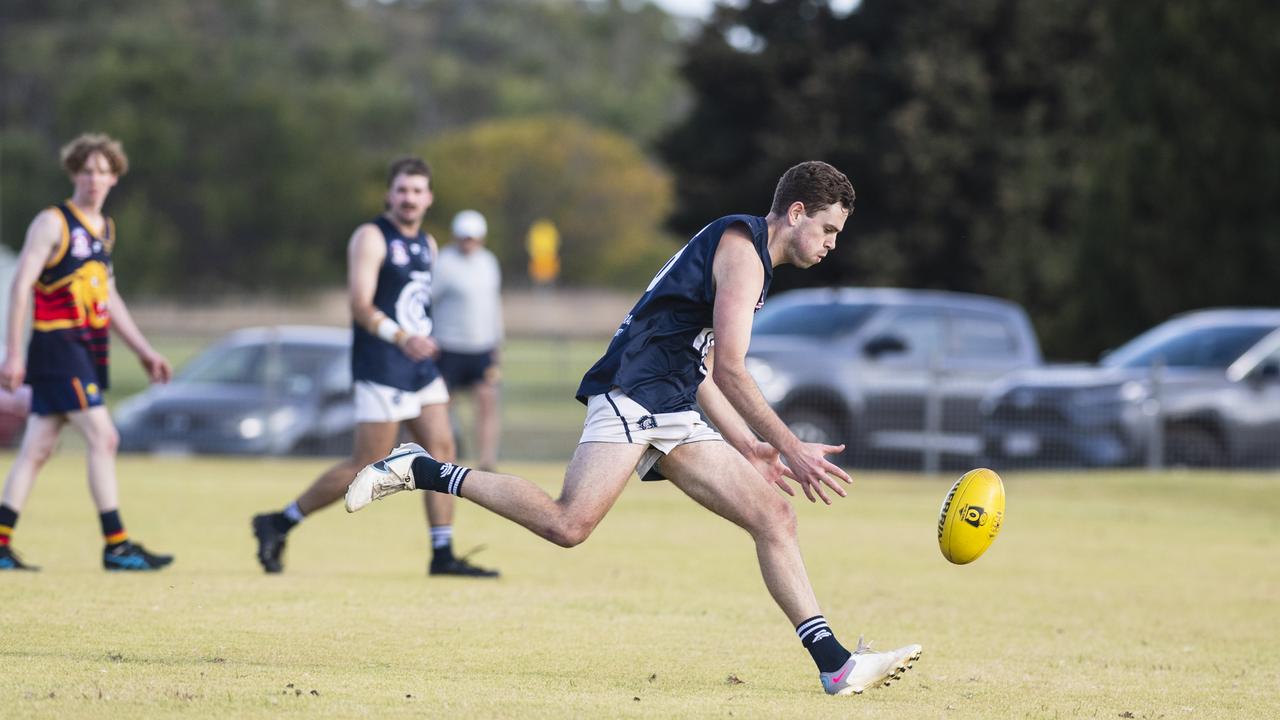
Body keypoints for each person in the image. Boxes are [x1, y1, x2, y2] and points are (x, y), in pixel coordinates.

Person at [346, 161, 921, 695]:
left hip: (670, 402)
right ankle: (421, 467)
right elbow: (731, 370)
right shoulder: (743, 255)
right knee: (567, 524)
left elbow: (700, 368)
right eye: (827, 230)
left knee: (774, 516)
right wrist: (793, 449)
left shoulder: (745, 252)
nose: (830, 244)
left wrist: (750, 446)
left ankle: (835, 664)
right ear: (796, 213)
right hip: (633, 393)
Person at [252, 157, 497, 578]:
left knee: (443, 452)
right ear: (390, 194)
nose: (409, 198)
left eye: (418, 191)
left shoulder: (429, 244)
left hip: (419, 367)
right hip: (383, 364)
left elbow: (419, 305)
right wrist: (405, 339)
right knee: (365, 465)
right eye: (402, 190)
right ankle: (279, 522)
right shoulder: (371, 236)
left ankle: (442, 553)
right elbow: (361, 305)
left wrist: (428, 338)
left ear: (429, 198)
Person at [0, 133, 174, 572]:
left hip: (87, 347)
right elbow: (21, 285)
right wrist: (13, 353)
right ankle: (116, 545)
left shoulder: (105, 230)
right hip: (57, 346)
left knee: (37, 448)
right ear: (73, 173)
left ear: (115, 177)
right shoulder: (53, 223)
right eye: (86, 170)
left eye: (103, 171)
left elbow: (109, 298)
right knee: (104, 436)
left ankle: (1, 543)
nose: (94, 179)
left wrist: (144, 351)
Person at [433, 210, 503, 471]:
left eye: (472, 238)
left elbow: (493, 305)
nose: (468, 243)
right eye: (464, 238)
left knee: (486, 401)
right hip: (448, 346)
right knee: (441, 404)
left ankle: (486, 461)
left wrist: (497, 341)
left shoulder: (488, 262)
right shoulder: (444, 263)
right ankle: (439, 456)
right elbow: (429, 302)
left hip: (482, 347)